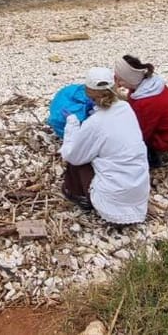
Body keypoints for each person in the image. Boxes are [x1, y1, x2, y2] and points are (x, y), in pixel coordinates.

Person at [59, 67, 150, 225]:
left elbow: (73, 156)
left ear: (89, 94)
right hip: (139, 192)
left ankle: (79, 195)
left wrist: (72, 123)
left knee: (78, 157)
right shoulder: (126, 108)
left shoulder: (95, 122)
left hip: (113, 198)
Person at [114, 55, 168, 168]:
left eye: (120, 80)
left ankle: (152, 160)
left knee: (132, 141)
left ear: (130, 79)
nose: (118, 83)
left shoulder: (146, 102)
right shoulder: (150, 85)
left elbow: (141, 133)